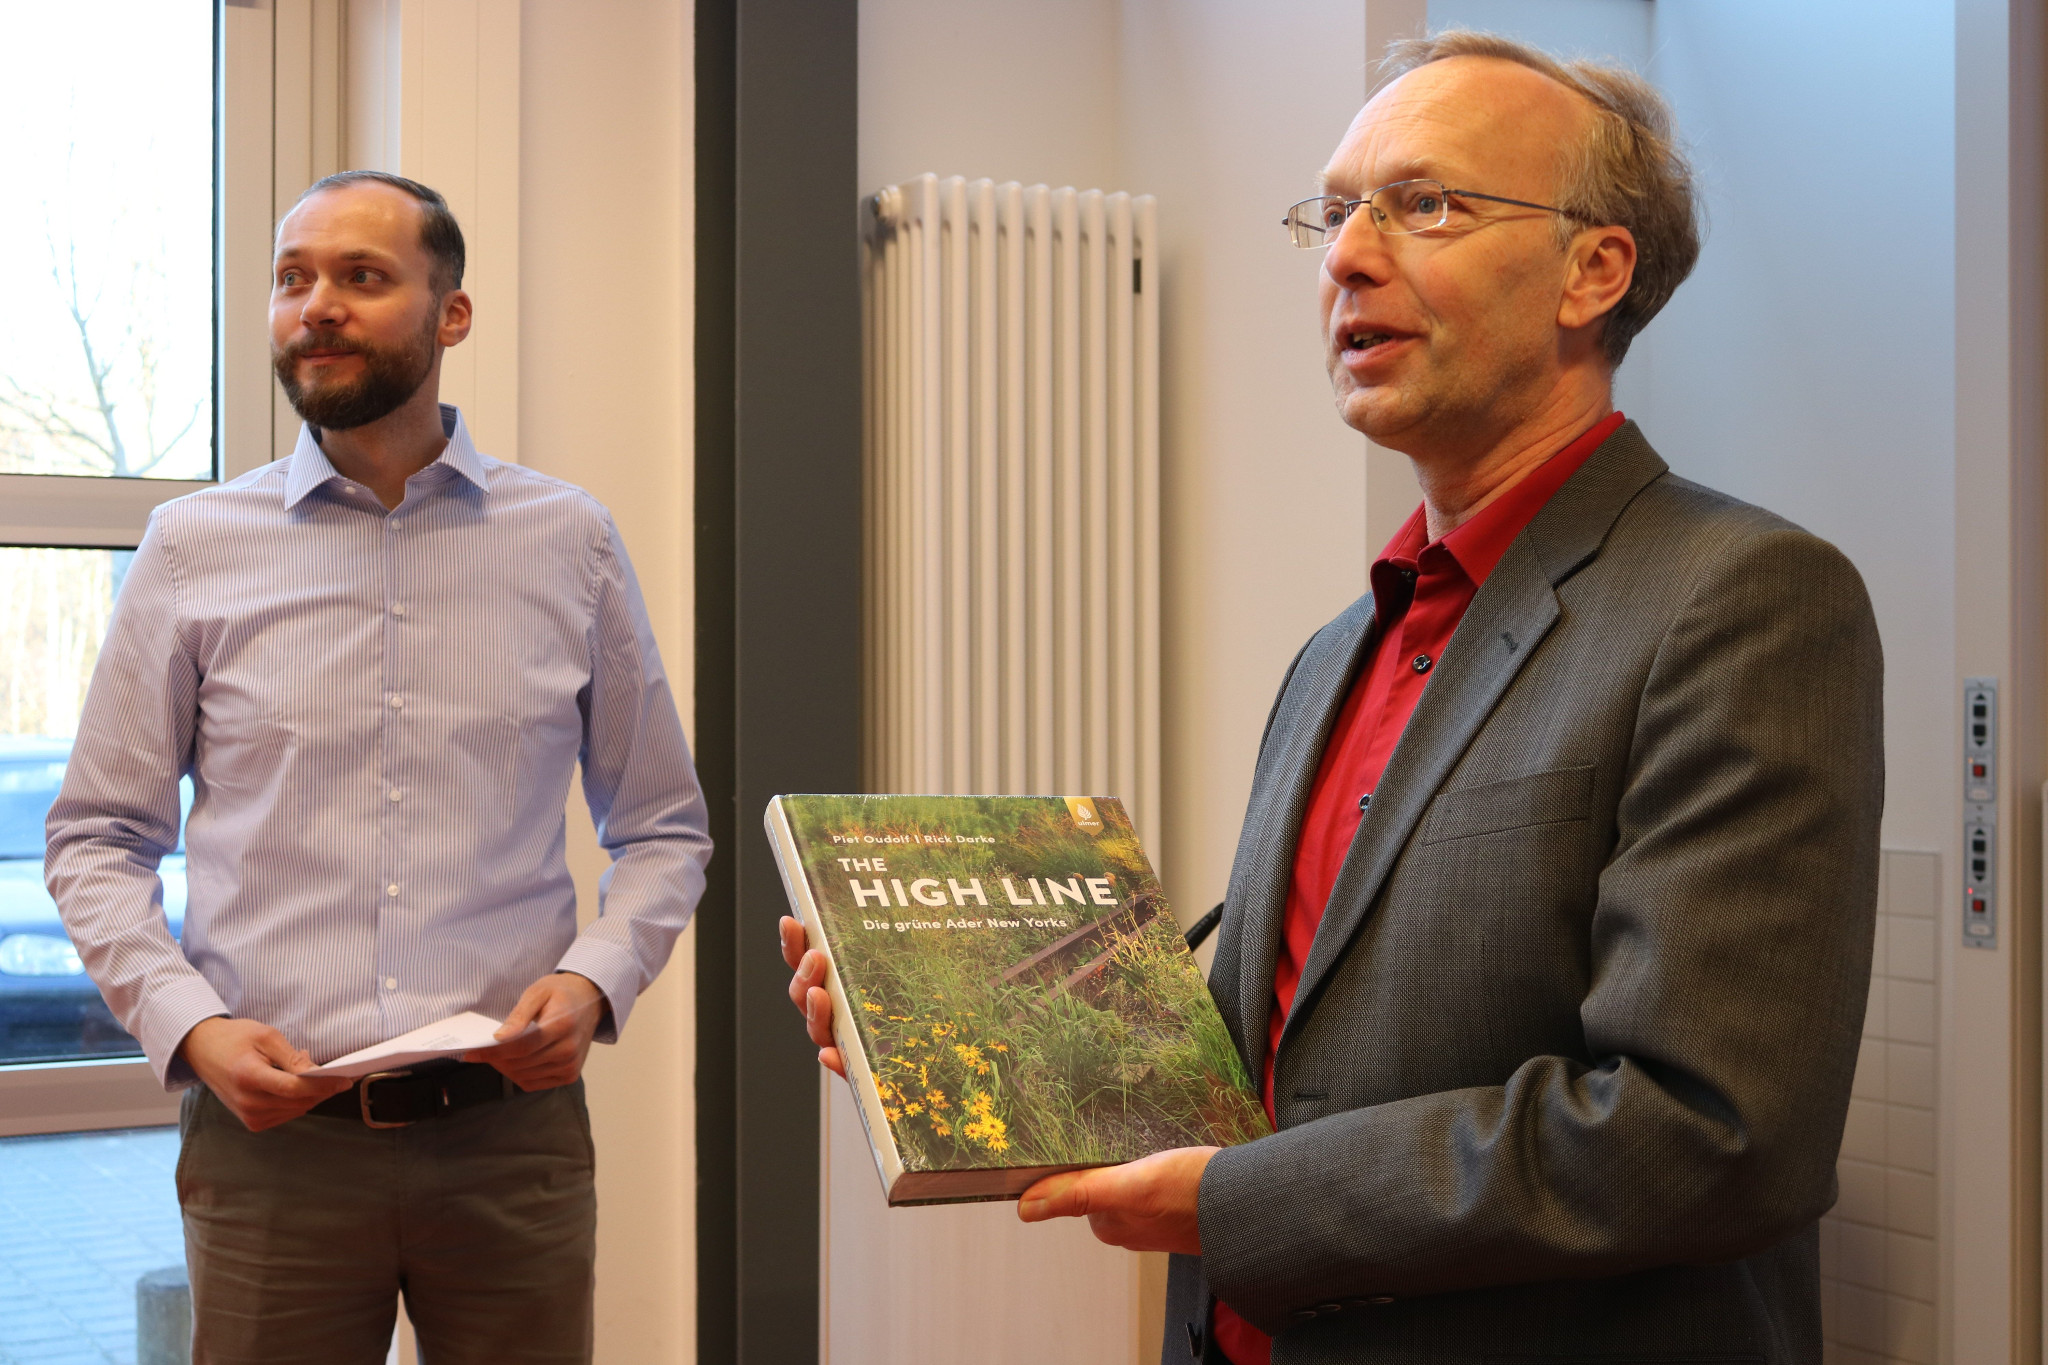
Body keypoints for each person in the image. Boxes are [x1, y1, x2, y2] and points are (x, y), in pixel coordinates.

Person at [782, 30, 1881, 1365]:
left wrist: (1236, 1204)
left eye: (1424, 204)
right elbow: (1268, 1056)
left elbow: (1707, 1133)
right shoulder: (1336, 651)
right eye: (1336, 211)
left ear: (1595, 270)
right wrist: (951, 1035)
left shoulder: (1742, 598)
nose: (1348, 257)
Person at [46, 170, 711, 1365]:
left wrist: (599, 979)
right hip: (273, 1155)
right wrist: (191, 1030)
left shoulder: (571, 541)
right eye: (292, 279)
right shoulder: (193, 549)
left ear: (450, 315)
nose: (319, 307)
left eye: (362, 277)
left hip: (514, 1142)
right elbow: (96, 838)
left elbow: (662, 824)